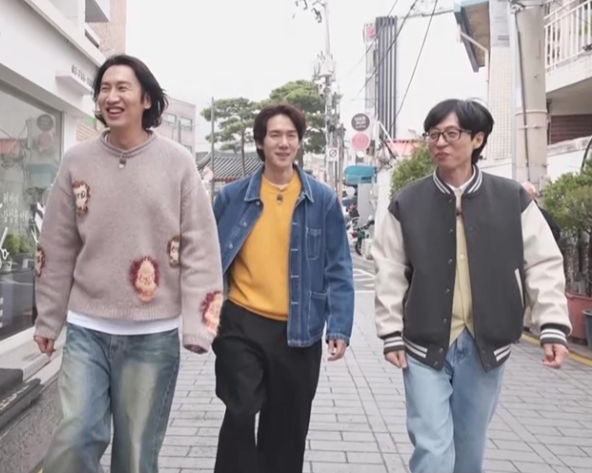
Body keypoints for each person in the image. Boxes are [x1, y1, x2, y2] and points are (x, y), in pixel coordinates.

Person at [33, 54, 223, 473]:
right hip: (87, 327)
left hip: (152, 335)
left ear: (147, 100)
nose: (111, 96)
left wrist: (199, 324)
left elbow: (201, 247)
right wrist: (48, 319)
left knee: (135, 455)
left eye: (123, 87)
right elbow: (57, 245)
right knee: (75, 437)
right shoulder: (76, 161)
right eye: (104, 88)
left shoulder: (177, 162)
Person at [371, 98, 572, 473]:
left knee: (469, 450)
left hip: (486, 344)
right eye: (433, 134)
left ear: (477, 139)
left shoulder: (511, 199)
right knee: (432, 447)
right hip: (423, 343)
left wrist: (552, 325)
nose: (440, 143)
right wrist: (391, 332)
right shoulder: (408, 202)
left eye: (451, 134)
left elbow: (543, 263)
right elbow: (390, 269)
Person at [212, 103, 354, 473]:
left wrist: (339, 327)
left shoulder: (322, 200)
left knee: (287, 429)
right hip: (241, 323)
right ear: (261, 142)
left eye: (291, 135)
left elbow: (338, 266)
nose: (284, 142)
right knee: (240, 411)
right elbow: (206, 259)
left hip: (299, 331)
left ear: (299, 142)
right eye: (275, 135)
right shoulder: (231, 198)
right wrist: (203, 315)